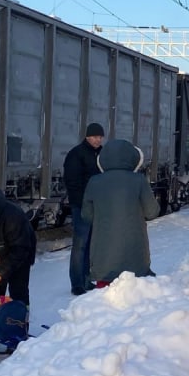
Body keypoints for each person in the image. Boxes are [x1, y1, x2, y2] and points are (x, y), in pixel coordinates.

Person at [82, 139, 161, 286]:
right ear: (133, 158)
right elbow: (152, 212)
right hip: (135, 259)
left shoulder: (94, 181)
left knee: (105, 301)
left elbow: (86, 216)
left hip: (103, 260)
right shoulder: (139, 180)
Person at [63, 122, 104, 296]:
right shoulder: (76, 154)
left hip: (97, 205)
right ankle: (77, 283)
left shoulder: (101, 154)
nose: (97, 140)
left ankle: (87, 279)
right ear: (87, 136)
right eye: (94, 136)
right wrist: (83, 203)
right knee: (80, 244)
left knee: (90, 245)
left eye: (100, 137)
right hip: (81, 206)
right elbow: (72, 183)